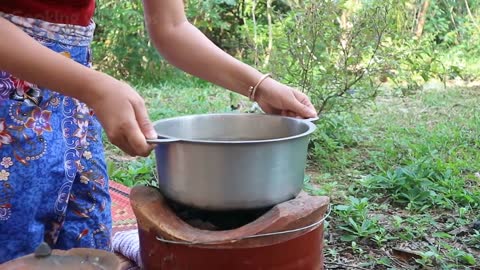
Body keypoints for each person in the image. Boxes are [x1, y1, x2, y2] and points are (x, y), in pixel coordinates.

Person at [0, 0, 317, 263]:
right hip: (10, 104)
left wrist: (260, 87)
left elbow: (172, 28)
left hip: (74, 107)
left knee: (86, 245)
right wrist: (94, 88)